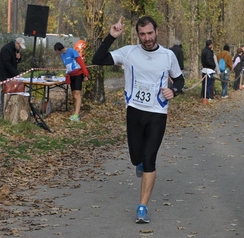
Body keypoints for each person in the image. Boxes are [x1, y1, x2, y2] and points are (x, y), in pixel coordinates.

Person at [91, 16, 184, 224]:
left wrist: (174, 91)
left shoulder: (168, 55)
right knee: (137, 158)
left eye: (150, 33)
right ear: (138, 35)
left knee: (150, 158)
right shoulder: (129, 52)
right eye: (142, 34)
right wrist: (111, 36)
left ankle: (142, 207)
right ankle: (139, 162)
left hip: (157, 113)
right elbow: (98, 59)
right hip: (134, 110)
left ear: (157, 32)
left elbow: (179, 79)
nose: (147, 38)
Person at [54, 42, 89, 121]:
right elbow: (67, 66)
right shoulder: (62, 55)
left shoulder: (72, 51)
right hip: (71, 75)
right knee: (73, 95)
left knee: (77, 94)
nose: (56, 53)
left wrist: (86, 74)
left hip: (78, 74)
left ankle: (77, 114)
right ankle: (75, 112)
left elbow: (81, 63)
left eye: (56, 51)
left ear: (59, 49)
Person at [0, 37, 27, 115]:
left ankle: (11, 108)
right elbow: (7, 64)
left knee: (12, 90)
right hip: (4, 73)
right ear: (17, 43)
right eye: (20, 47)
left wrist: (18, 58)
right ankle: (4, 109)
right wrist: (17, 74)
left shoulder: (15, 49)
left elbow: (14, 62)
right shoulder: (6, 49)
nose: (20, 49)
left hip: (11, 73)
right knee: (5, 90)